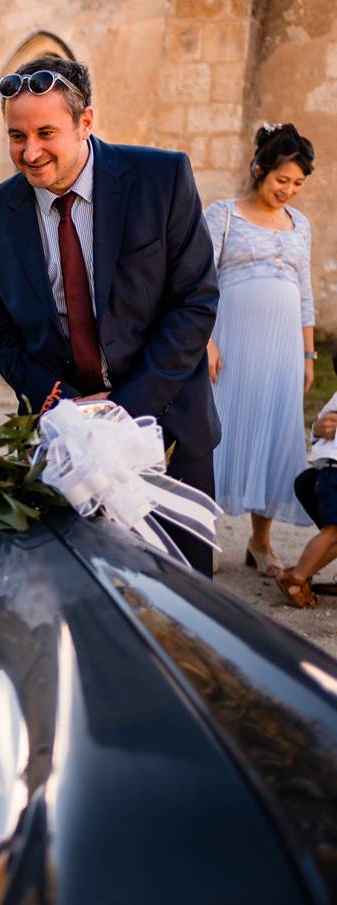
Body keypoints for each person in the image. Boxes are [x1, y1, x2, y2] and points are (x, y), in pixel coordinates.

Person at [0, 56, 220, 575]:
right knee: (76, 602)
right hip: (62, 443)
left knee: (183, 607)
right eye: (16, 136)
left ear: (86, 123)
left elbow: (194, 300)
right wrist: (65, 406)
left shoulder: (161, 179)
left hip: (168, 429)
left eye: (45, 132)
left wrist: (122, 409)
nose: (30, 152)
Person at [204, 123, 317, 576]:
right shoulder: (223, 214)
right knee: (217, 433)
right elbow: (199, 281)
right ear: (259, 170)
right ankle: (204, 536)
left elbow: (304, 291)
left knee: (273, 435)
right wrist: (205, 340)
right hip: (230, 345)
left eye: (297, 184)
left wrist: (308, 355)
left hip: (283, 350)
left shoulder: (301, 224)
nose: (288, 191)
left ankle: (261, 542)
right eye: (281, 180)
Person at [278, 403, 337, 607]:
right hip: (332, 475)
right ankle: (297, 579)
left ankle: (296, 575)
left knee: (334, 535)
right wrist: (318, 428)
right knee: (332, 534)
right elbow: (322, 423)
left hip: (328, 473)